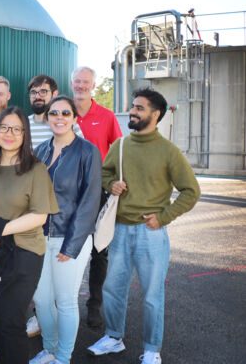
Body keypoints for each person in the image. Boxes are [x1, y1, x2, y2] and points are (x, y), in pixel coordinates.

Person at [87, 88, 200, 364]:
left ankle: (152, 349)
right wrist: (110, 184)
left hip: (152, 233)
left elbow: (191, 191)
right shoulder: (121, 145)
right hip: (119, 230)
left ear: (155, 114)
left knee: (152, 295)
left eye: (139, 108)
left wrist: (163, 217)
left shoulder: (168, 151)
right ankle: (113, 338)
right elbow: (104, 173)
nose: (133, 112)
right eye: (133, 107)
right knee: (113, 290)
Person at [0, 106, 59, 364]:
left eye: (17, 129)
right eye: (5, 127)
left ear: (25, 134)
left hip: (24, 253)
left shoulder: (35, 169)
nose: (10, 133)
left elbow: (40, 216)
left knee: (12, 321)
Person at [29, 96, 102, 364]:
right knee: (42, 300)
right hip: (38, 237)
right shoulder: (39, 151)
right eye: (54, 113)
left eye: (65, 113)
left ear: (74, 118)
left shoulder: (88, 152)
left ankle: (63, 357)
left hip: (70, 239)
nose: (59, 117)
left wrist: (71, 246)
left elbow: (90, 201)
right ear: (47, 117)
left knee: (66, 301)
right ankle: (49, 348)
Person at [24, 74, 84, 336]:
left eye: (44, 91)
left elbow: (83, 182)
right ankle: (43, 326)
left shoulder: (72, 133)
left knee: (64, 292)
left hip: (63, 222)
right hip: (33, 218)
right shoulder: (25, 127)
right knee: (40, 287)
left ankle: (61, 346)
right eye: (34, 92)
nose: (39, 96)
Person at [70, 66, 123, 328]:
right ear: (72, 84)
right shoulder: (61, 112)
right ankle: (61, 304)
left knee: (99, 252)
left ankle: (94, 306)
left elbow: (119, 152)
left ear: (93, 85)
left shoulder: (106, 116)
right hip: (66, 195)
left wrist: (114, 182)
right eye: (77, 81)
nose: (80, 86)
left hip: (97, 193)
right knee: (63, 248)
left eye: (85, 82)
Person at [27, 74, 84, 150]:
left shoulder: (68, 124)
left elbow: (83, 156)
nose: (37, 96)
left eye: (43, 92)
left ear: (55, 94)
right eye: (33, 92)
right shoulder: (23, 124)